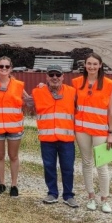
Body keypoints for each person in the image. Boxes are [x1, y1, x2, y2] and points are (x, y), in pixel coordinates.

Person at [72, 52, 112, 213]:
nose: (91, 67)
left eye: (94, 64)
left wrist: (111, 133)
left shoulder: (108, 84)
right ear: (85, 65)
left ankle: (104, 199)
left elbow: (110, 111)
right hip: (81, 129)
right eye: (89, 64)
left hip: (100, 130)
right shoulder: (77, 83)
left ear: (100, 65)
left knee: (102, 165)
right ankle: (91, 196)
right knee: (86, 162)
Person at [32, 64, 79, 207]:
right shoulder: (37, 92)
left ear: (63, 77)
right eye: (51, 75)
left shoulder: (72, 92)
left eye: (58, 75)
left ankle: (68, 195)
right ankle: (52, 193)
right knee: (49, 166)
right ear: (46, 77)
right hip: (47, 139)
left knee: (68, 168)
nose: (54, 78)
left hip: (66, 139)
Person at [0, 56, 32, 197]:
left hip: (14, 127)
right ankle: (1, 183)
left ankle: (14, 185)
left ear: (11, 68)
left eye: (7, 66)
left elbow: (28, 101)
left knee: (13, 156)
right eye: (1, 66)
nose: (4, 69)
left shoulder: (18, 85)